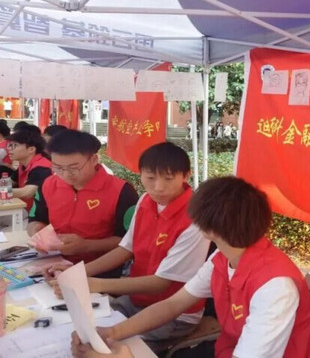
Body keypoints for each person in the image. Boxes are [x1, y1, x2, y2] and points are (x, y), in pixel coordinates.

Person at [72, 176, 310, 358]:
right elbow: (173, 304)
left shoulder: (274, 286)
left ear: (207, 228)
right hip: (228, 348)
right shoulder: (223, 257)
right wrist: (113, 332)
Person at [47, 142, 211, 352]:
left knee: (106, 349)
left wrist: (94, 284)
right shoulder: (146, 201)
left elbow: (160, 284)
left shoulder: (195, 219)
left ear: (186, 176)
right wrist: (76, 274)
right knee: (75, 331)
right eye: (150, 178)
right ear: (140, 174)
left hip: (176, 315)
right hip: (136, 301)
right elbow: (125, 249)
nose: (158, 187)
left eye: (168, 179)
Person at [27, 130, 138, 274]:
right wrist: (38, 233)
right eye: (58, 168)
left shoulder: (122, 191)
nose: (66, 174)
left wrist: (87, 246)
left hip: (101, 269)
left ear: (94, 159)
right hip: (53, 262)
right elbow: (35, 219)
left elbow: (130, 241)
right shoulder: (48, 184)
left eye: (74, 168)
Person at [6, 129, 52, 212]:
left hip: (40, 215)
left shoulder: (42, 167)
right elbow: (8, 182)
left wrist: (4, 191)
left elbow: (27, 192)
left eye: (15, 145)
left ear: (31, 149)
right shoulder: (23, 165)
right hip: (25, 210)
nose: (10, 149)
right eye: (9, 145)